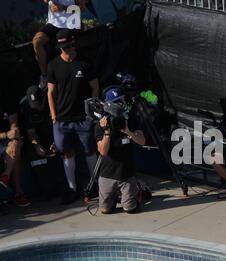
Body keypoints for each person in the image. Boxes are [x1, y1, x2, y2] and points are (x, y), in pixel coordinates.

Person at [47, 28, 99, 204]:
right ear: (60, 48)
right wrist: (54, 117)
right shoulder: (53, 65)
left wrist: (92, 112)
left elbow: (95, 87)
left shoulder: (85, 63)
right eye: (64, 47)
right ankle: (72, 189)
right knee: (67, 154)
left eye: (69, 46)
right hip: (62, 120)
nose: (68, 50)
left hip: (83, 118)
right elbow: (50, 92)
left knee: (90, 151)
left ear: (73, 44)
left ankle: (95, 186)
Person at [95, 87, 146, 214]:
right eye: (116, 102)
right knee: (105, 210)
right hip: (108, 173)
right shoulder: (101, 124)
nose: (119, 104)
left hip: (126, 173)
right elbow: (103, 152)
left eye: (121, 101)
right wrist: (106, 132)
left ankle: (139, 189)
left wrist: (128, 131)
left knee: (130, 209)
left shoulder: (131, 120)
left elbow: (142, 141)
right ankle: (117, 195)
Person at [33, 0, 88, 89]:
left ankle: (72, 78)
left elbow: (82, 8)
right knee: (37, 41)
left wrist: (63, 8)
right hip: (54, 24)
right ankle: (45, 76)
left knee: (64, 42)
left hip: (71, 24)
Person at [22, 85, 61, 200]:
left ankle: (63, 187)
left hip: (55, 138)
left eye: (38, 103)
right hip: (40, 142)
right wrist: (36, 145)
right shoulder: (28, 110)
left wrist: (56, 141)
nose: (37, 107)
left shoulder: (53, 103)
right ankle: (44, 188)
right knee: (36, 159)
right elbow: (31, 131)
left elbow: (59, 126)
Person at [0, 89, 31, 207]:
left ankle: (6, 177)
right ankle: (18, 192)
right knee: (15, 156)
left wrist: (14, 133)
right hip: (3, 137)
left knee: (17, 144)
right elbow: (7, 134)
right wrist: (6, 134)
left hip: (6, 142)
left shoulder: (6, 99)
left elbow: (14, 124)